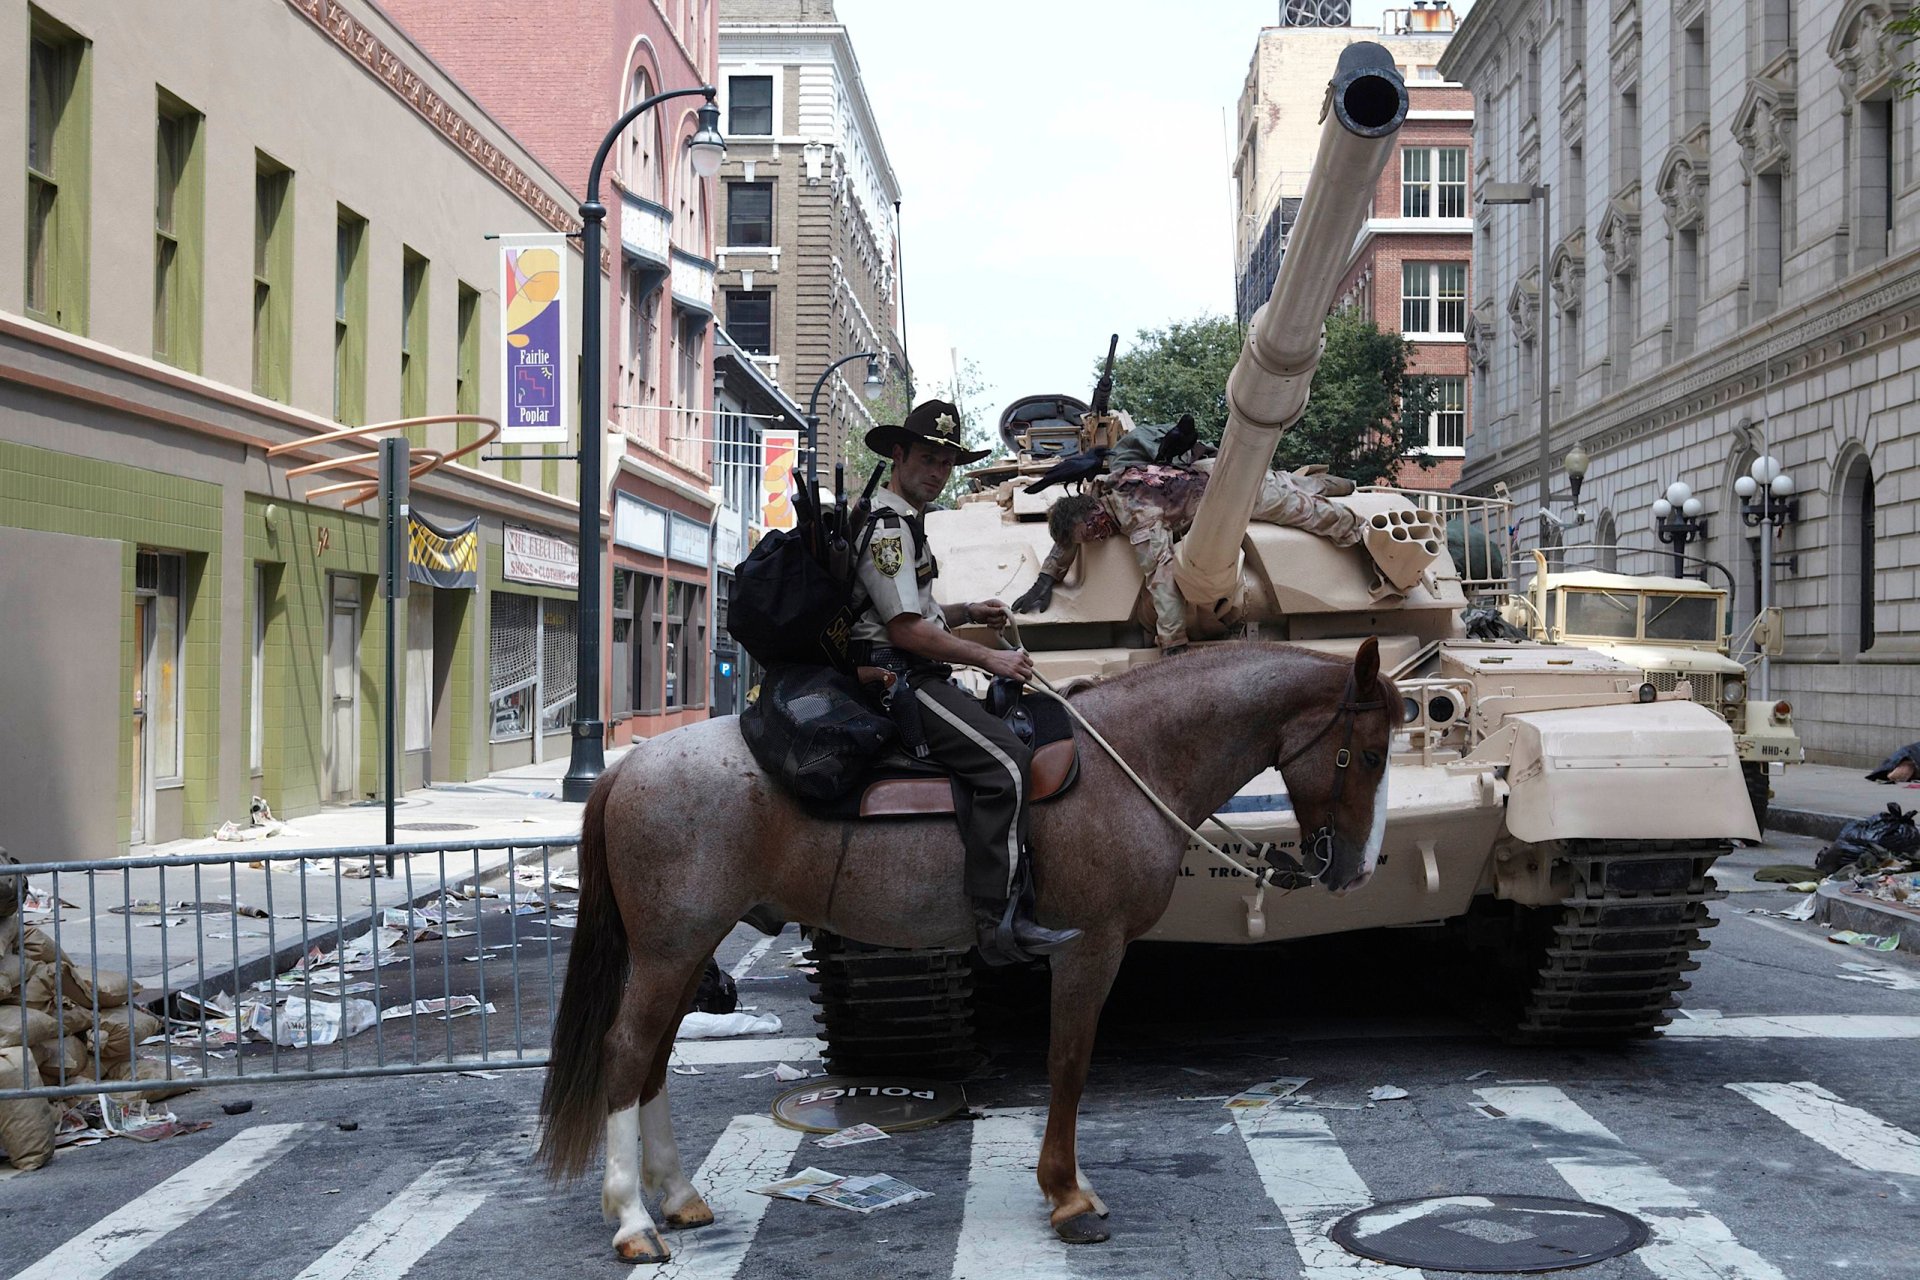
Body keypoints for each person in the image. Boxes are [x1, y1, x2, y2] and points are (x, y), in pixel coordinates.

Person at [853, 400, 1083, 966]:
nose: (937, 473)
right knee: (1006, 761)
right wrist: (991, 661)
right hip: (897, 677)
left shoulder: (905, 521)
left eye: (946, 464)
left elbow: (915, 614)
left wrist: (963, 610)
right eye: (928, 459)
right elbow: (904, 632)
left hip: (910, 663)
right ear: (899, 455)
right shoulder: (887, 528)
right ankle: (998, 921)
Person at [1013, 460, 1362, 654]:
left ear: (1093, 516)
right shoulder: (1102, 489)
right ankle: (1334, 482)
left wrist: (1174, 642)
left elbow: (1162, 579)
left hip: (1224, 493)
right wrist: (1047, 577)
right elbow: (1069, 532)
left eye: (1091, 533)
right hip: (1205, 470)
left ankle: (1360, 531)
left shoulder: (1138, 516)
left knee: (1303, 509)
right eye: (1085, 540)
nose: (1094, 540)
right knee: (1288, 483)